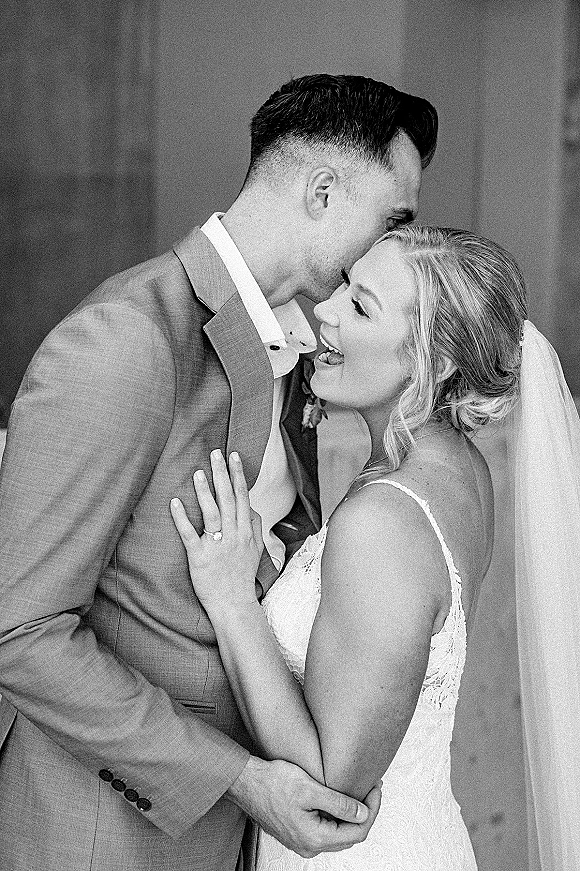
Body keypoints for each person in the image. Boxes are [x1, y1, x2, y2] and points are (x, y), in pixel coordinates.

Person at [0, 76, 437, 870]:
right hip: (102, 839)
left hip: (232, 839)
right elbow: (17, 631)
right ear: (325, 190)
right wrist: (237, 778)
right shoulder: (125, 340)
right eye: (392, 219)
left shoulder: (284, 346)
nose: (393, 248)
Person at [171, 225, 580, 870]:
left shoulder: (385, 517)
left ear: (433, 363)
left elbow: (332, 786)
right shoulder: (461, 472)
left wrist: (231, 602)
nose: (324, 313)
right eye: (343, 290)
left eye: (361, 307)